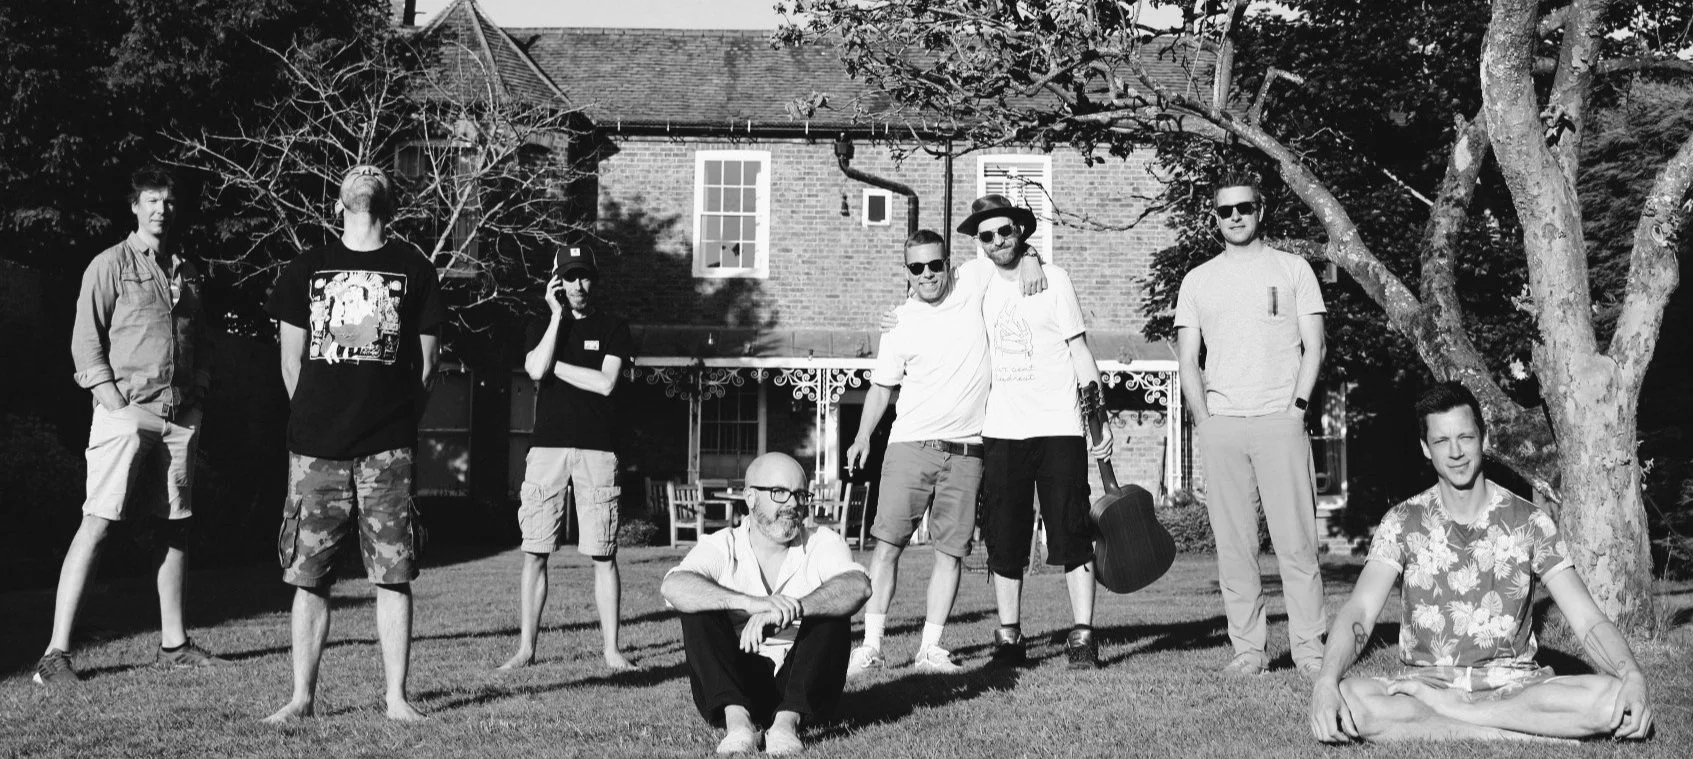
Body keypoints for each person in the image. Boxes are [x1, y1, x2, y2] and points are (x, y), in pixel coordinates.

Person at [1308, 382, 1654, 742]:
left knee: (1612, 697)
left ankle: (1460, 719)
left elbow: (1586, 619)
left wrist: (1631, 675)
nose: (1455, 452)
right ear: (1426, 448)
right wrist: (1326, 681)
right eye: (1442, 441)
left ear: (1484, 440)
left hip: (1517, 687)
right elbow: (1361, 610)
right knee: (1352, 698)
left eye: (1466, 437)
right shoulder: (1401, 521)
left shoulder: (1530, 521)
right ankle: (1516, 734)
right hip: (1425, 686)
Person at [262, 164, 443, 723]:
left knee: (393, 574)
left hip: (387, 450)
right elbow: (291, 363)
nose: (365, 172)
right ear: (337, 204)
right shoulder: (305, 269)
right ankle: (302, 698)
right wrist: (321, 418)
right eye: (355, 171)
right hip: (315, 450)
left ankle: (396, 700)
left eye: (376, 171)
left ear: (387, 202)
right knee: (309, 575)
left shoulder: (415, 269)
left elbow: (429, 367)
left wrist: (392, 424)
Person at [38, 165, 225, 686]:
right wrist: (112, 400)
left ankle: (174, 644)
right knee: (97, 524)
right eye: (150, 200)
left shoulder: (187, 271)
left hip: (178, 418)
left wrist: (198, 400)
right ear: (135, 207)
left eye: (167, 200)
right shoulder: (109, 265)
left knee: (175, 528)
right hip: (124, 413)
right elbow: (85, 340)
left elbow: (203, 343)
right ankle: (54, 656)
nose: (160, 209)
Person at [1173, 174, 1327, 677]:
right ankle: (1249, 650)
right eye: (1224, 210)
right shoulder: (1198, 280)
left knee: (1297, 546)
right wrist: (1203, 420)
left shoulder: (1294, 269)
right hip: (1223, 427)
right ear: (1214, 218)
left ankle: (1310, 650)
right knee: (1235, 549)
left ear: (1261, 210)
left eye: (1244, 207)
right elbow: (1187, 359)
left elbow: (1314, 346)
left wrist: (1297, 409)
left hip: (1280, 423)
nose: (1235, 216)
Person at [966, 194, 1113, 670]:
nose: (996, 242)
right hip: (1002, 430)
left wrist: (1098, 420)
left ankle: (1083, 635)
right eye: (986, 236)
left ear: (1021, 232)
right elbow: (927, 293)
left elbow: (1080, 352)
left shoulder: (1057, 280)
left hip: (1059, 428)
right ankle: (1009, 639)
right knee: (1004, 538)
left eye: (1005, 232)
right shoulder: (978, 282)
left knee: (1071, 532)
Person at [843, 229, 993, 676]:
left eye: (935, 264)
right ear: (906, 272)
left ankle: (931, 647)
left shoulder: (973, 283)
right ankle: (870, 646)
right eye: (917, 267)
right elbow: (883, 385)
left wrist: (1029, 261)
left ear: (949, 264)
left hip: (968, 451)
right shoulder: (901, 321)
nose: (927, 274)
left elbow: (1012, 247)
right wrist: (862, 436)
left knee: (951, 553)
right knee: (887, 547)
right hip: (911, 446)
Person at [661, 453, 872, 755]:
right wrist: (752, 604)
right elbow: (673, 586)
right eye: (779, 493)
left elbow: (858, 585)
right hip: (736, 679)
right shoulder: (722, 545)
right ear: (750, 497)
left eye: (800, 494)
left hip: (804, 681)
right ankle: (738, 724)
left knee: (832, 607)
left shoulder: (823, 542)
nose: (793, 504)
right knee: (699, 606)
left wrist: (790, 609)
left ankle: (786, 725)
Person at [499, 247, 636, 672]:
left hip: (598, 449)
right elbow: (536, 369)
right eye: (571, 277)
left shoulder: (614, 327)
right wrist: (555, 317)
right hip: (548, 450)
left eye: (585, 277)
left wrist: (556, 367)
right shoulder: (541, 324)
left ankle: (611, 650)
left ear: (595, 279)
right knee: (535, 551)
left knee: (603, 554)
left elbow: (606, 383)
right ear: (557, 279)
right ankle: (526, 649)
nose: (579, 285)